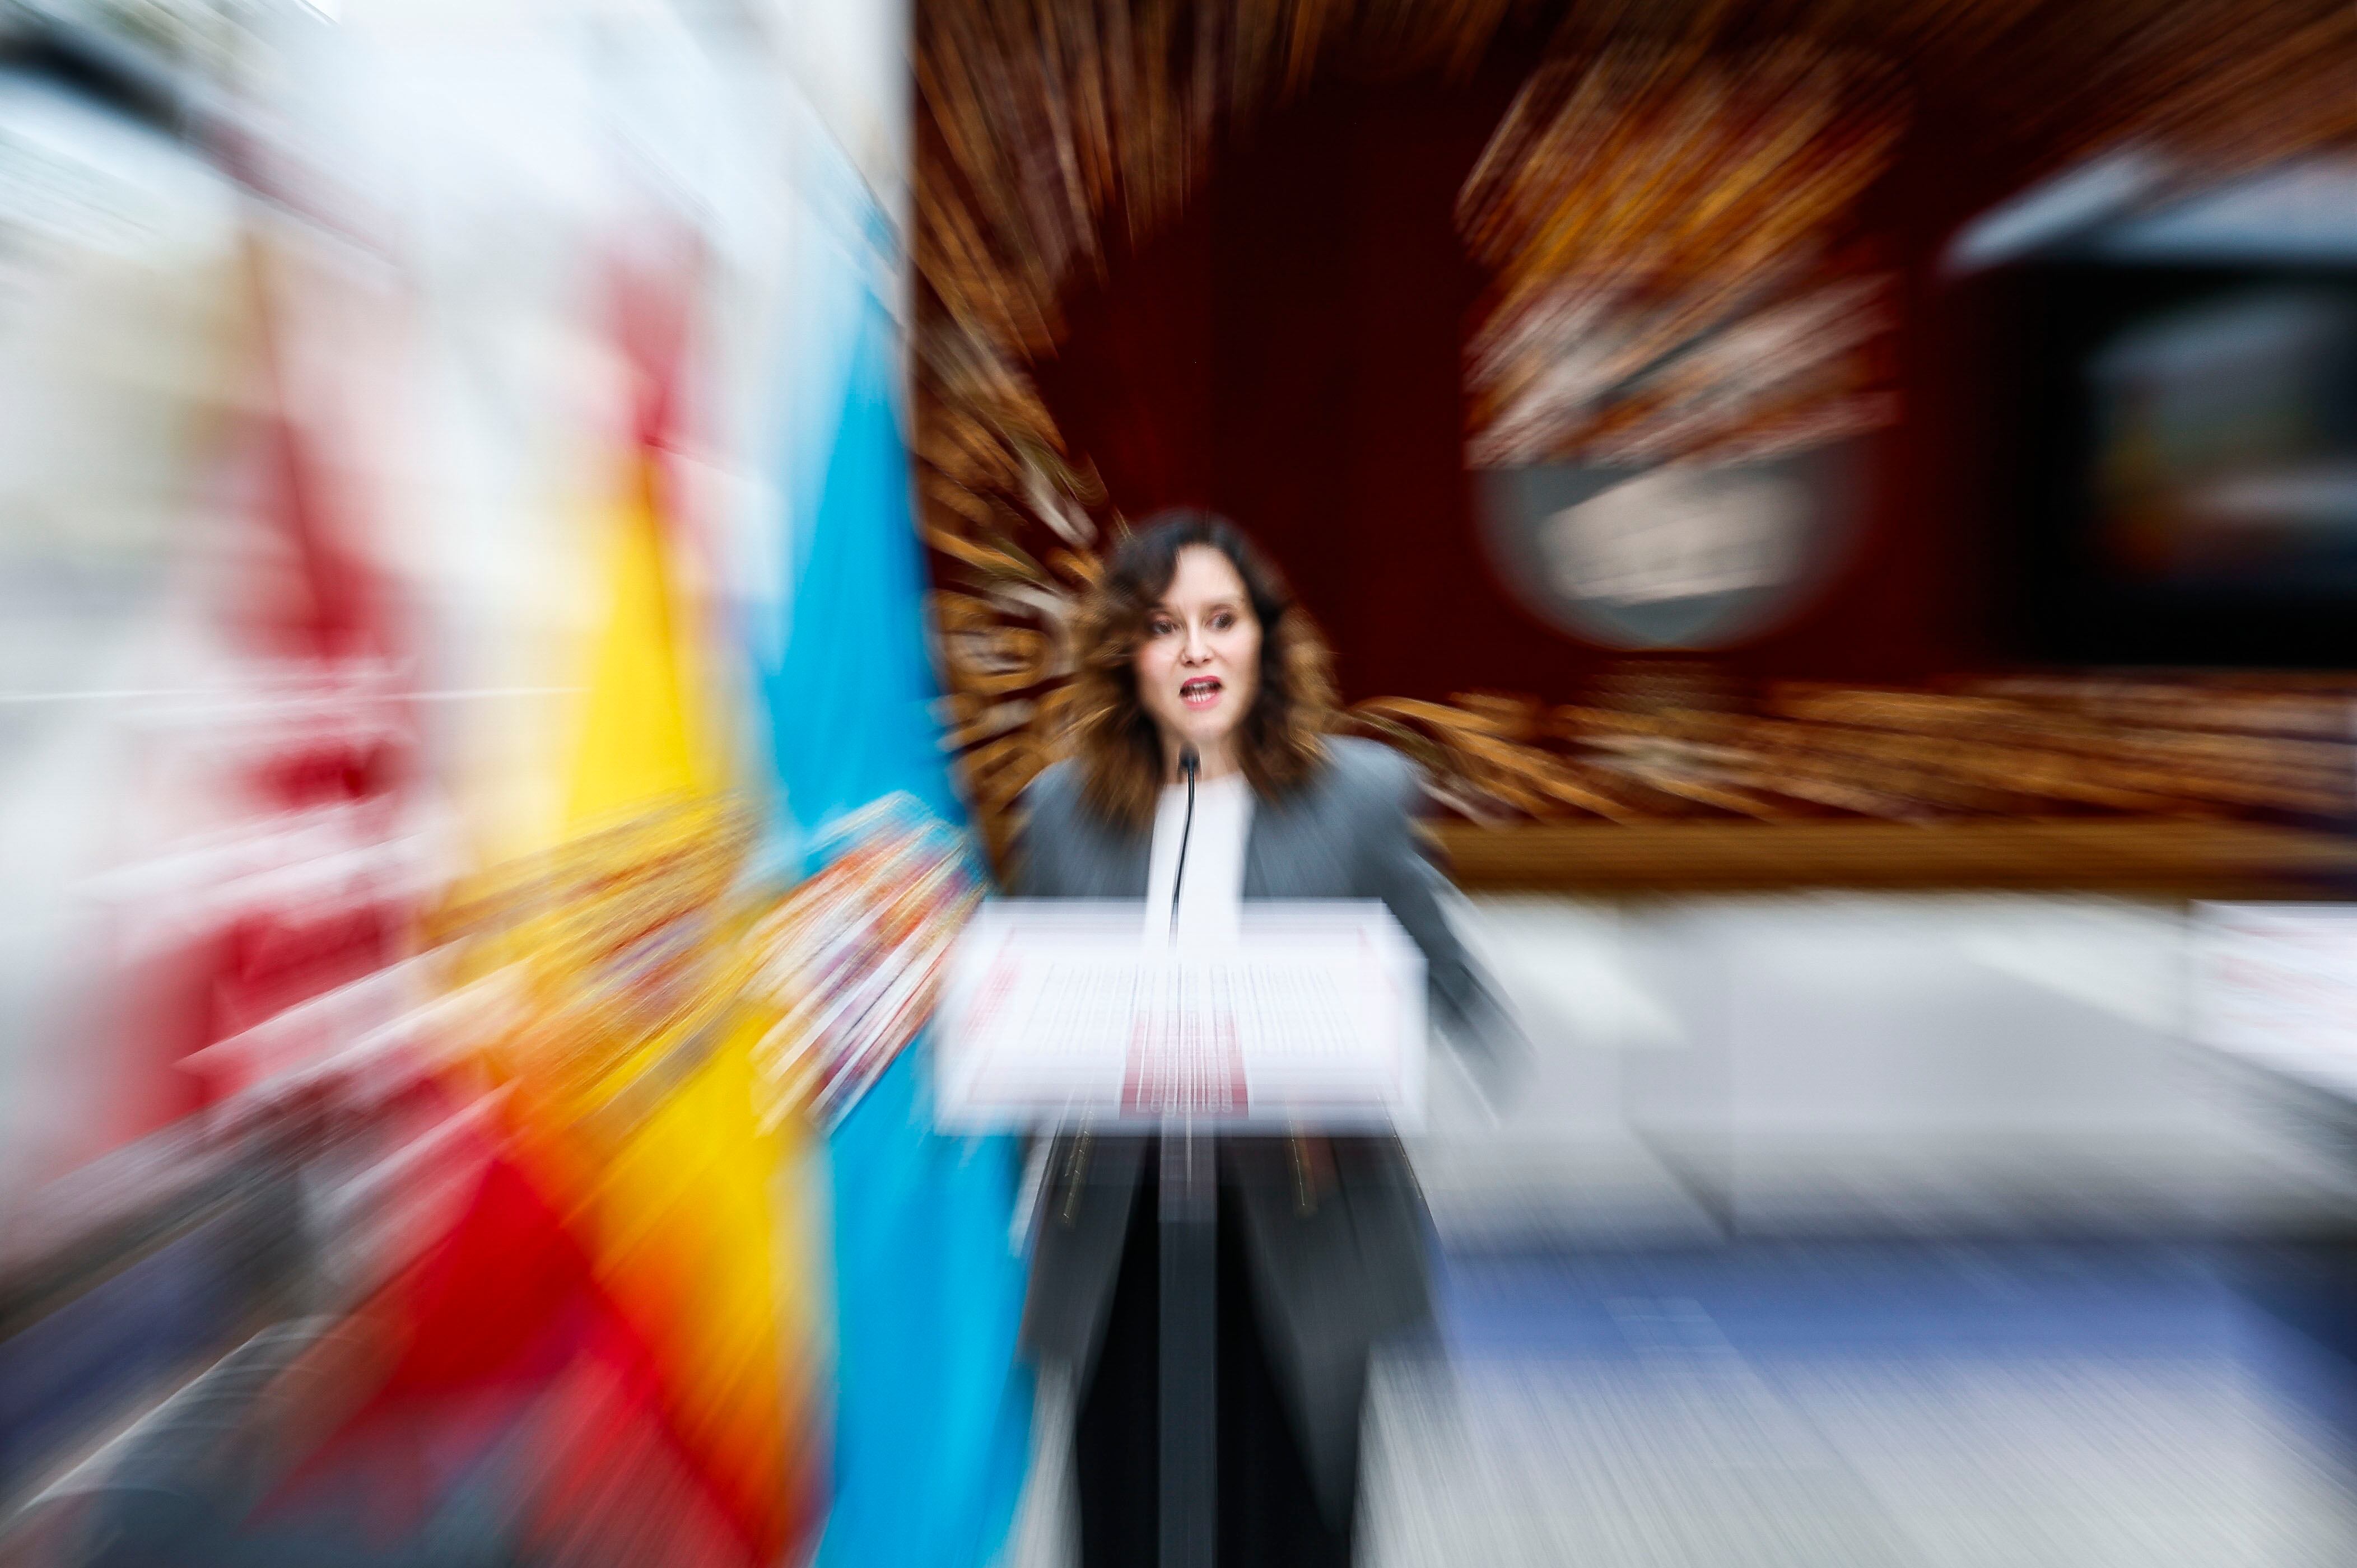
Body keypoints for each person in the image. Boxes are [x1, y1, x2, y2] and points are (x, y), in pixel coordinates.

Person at [1009, 508, 1516, 1567]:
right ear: (1126, 661)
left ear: (1265, 643)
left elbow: (1458, 997)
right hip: (1122, 1224)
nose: (1197, 649)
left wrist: (1351, 1055)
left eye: (1222, 619)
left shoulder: (1361, 797)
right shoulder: (1058, 814)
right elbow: (1032, 1009)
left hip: (1303, 1212)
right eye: (1163, 626)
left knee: (1291, 1523)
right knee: (1123, 1521)